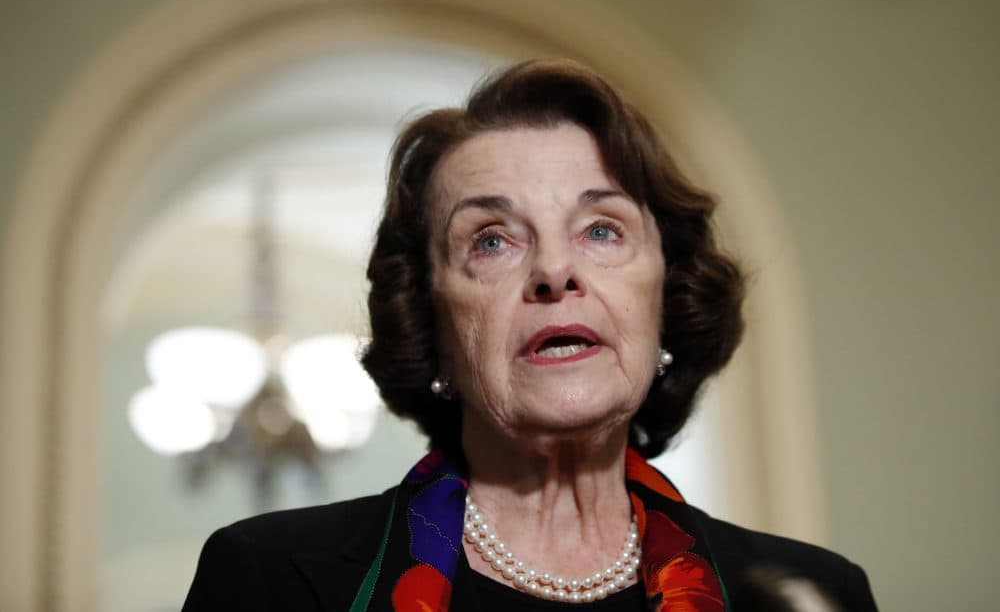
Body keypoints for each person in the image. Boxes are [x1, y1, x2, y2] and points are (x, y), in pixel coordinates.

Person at [183, 59, 878, 611]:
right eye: (491, 240)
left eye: (602, 229)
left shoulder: (812, 594)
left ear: (666, 297)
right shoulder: (268, 580)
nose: (553, 269)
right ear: (431, 327)